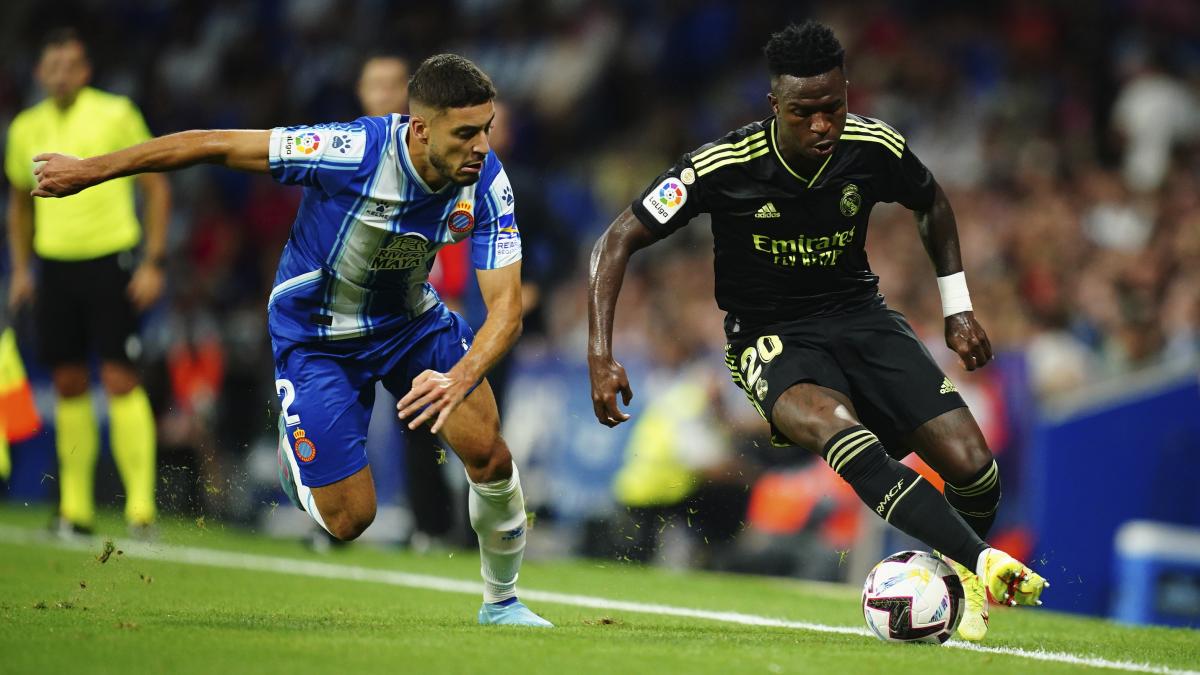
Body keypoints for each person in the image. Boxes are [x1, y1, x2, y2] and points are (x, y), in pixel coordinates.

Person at [30, 53, 551, 627]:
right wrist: (90, 171)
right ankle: (293, 448)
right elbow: (215, 143)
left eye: (487, 129)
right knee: (350, 520)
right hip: (318, 337)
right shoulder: (350, 151)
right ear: (421, 129)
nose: (481, 146)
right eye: (466, 133)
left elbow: (506, 311)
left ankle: (501, 603)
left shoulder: (487, 181)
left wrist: (459, 375)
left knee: (490, 452)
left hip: (410, 324)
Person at [587, 20, 1046, 642]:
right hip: (769, 335)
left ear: (848, 94)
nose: (823, 125)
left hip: (861, 317)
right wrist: (600, 353)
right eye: (805, 113)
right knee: (840, 430)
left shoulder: (874, 145)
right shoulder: (725, 165)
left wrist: (957, 306)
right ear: (775, 106)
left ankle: (955, 580)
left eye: (834, 107)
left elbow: (931, 202)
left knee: (973, 465)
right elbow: (618, 238)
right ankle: (981, 564)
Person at [5, 28, 169, 537]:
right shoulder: (25, 127)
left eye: (70, 66)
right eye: (52, 66)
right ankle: (74, 510)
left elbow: (156, 184)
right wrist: (23, 270)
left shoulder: (115, 112)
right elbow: (18, 202)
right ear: (39, 72)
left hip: (109, 260)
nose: (61, 75)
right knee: (69, 382)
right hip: (54, 267)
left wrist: (153, 260)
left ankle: (140, 510)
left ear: (85, 71)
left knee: (120, 378)